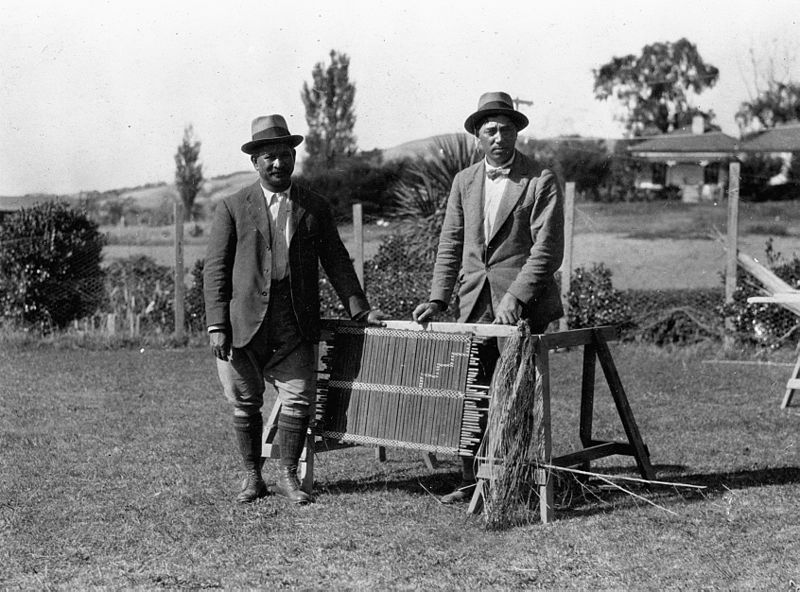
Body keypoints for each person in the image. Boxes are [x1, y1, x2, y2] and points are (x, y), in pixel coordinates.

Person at [204, 114, 386, 504]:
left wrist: (360, 309)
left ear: (294, 156)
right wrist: (217, 324)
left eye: (285, 154)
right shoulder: (233, 207)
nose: (277, 163)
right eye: (268, 156)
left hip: (295, 321)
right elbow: (215, 269)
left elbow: (337, 260)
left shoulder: (313, 207)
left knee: (299, 396)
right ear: (254, 162)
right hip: (242, 324)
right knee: (244, 399)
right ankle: (253, 477)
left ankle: (289, 474)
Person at [412, 91, 564, 503]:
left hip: (524, 305)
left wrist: (515, 297)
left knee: (513, 393)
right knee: (471, 391)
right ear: (478, 136)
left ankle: (510, 481)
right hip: (473, 301)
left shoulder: (540, 179)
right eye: (490, 130)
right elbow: (451, 243)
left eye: (507, 129)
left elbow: (547, 250)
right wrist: (439, 298)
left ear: (517, 133)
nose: (499, 137)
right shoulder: (464, 181)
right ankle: (470, 480)